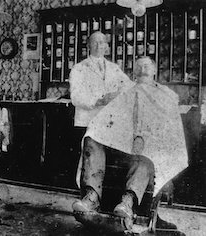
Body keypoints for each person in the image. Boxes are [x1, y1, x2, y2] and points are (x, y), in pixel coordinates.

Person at [73, 56, 188, 229]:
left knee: (145, 154)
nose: (142, 68)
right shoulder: (125, 91)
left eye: (147, 65)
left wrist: (143, 137)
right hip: (121, 146)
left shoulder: (166, 95)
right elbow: (108, 119)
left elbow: (170, 130)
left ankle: (127, 202)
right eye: (139, 66)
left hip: (149, 147)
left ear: (155, 70)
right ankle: (92, 197)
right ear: (133, 72)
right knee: (92, 138)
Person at [69, 31, 134, 211]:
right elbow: (75, 96)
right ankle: (91, 196)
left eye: (102, 43)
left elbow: (129, 87)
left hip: (110, 123)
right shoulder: (79, 68)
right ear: (88, 46)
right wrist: (98, 100)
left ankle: (118, 201)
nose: (99, 46)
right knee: (92, 150)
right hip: (88, 121)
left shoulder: (114, 68)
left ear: (107, 46)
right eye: (95, 42)